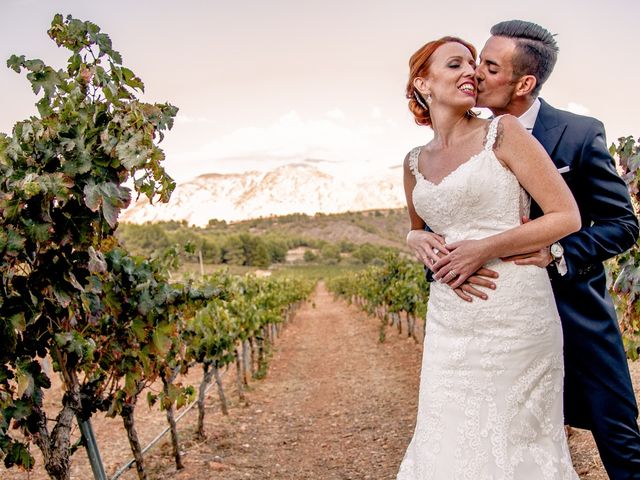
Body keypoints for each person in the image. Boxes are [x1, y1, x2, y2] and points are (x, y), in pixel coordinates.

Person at [409, 20, 640, 479]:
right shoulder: (440, 148)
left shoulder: (575, 133)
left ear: (524, 82)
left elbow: (622, 224)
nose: (475, 73)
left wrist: (556, 253)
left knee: (617, 435)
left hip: (570, 307)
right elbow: (446, 216)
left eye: (487, 67)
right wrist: (415, 235)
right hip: (475, 309)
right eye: (470, 63)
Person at [397, 35, 581, 479]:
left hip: (514, 312)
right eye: (455, 64)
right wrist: (412, 239)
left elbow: (566, 216)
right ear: (423, 83)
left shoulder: (503, 132)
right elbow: (423, 230)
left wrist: (484, 248)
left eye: (474, 65)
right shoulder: (413, 162)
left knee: (514, 442)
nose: (471, 73)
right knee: (448, 438)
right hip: (450, 320)